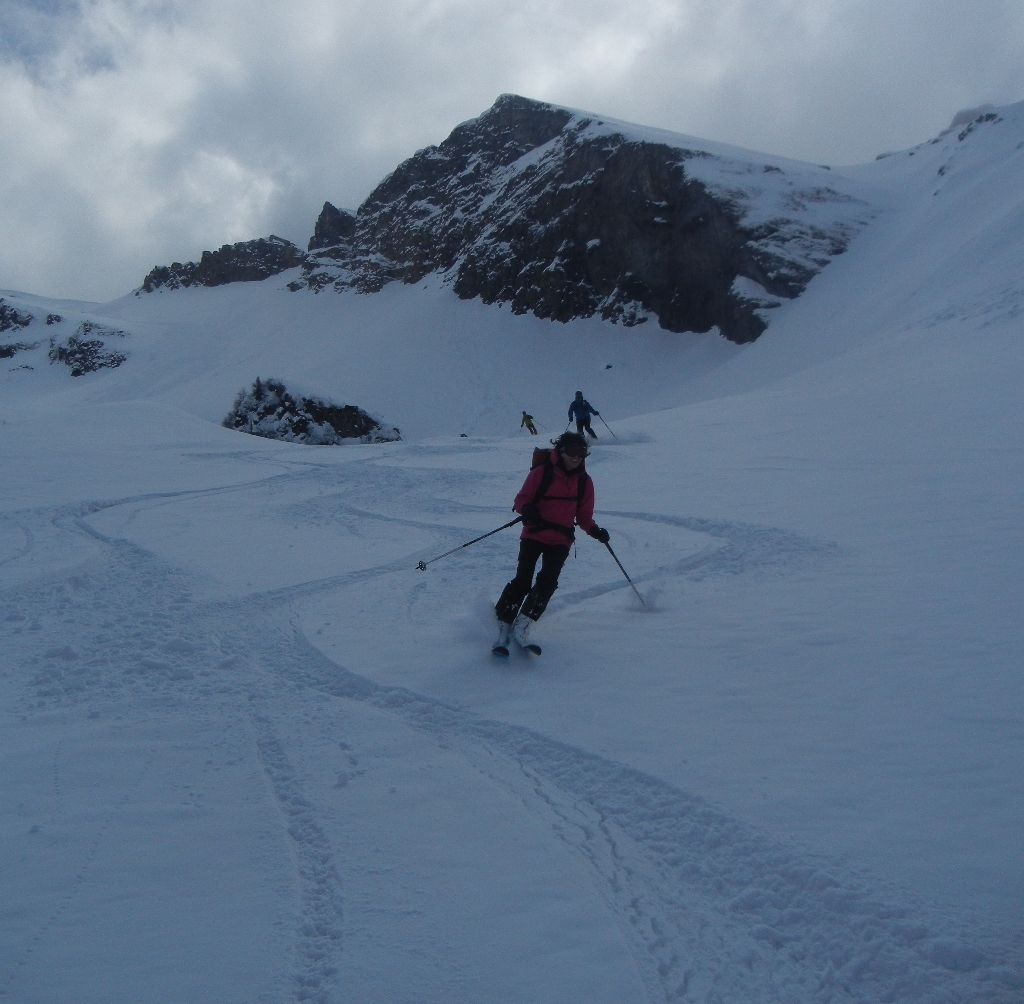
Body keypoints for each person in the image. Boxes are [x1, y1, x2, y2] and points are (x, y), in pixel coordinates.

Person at [493, 432, 611, 653]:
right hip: (534, 535)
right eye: (573, 452)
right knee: (523, 580)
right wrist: (527, 509)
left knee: (547, 583)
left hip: (561, 540)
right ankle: (503, 620)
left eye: (582, 453)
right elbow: (521, 499)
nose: (577, 458)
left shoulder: (584, 482)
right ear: (562, 451)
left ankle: (524, 623)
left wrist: (595, 531)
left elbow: (584, 516)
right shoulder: (542, 473)